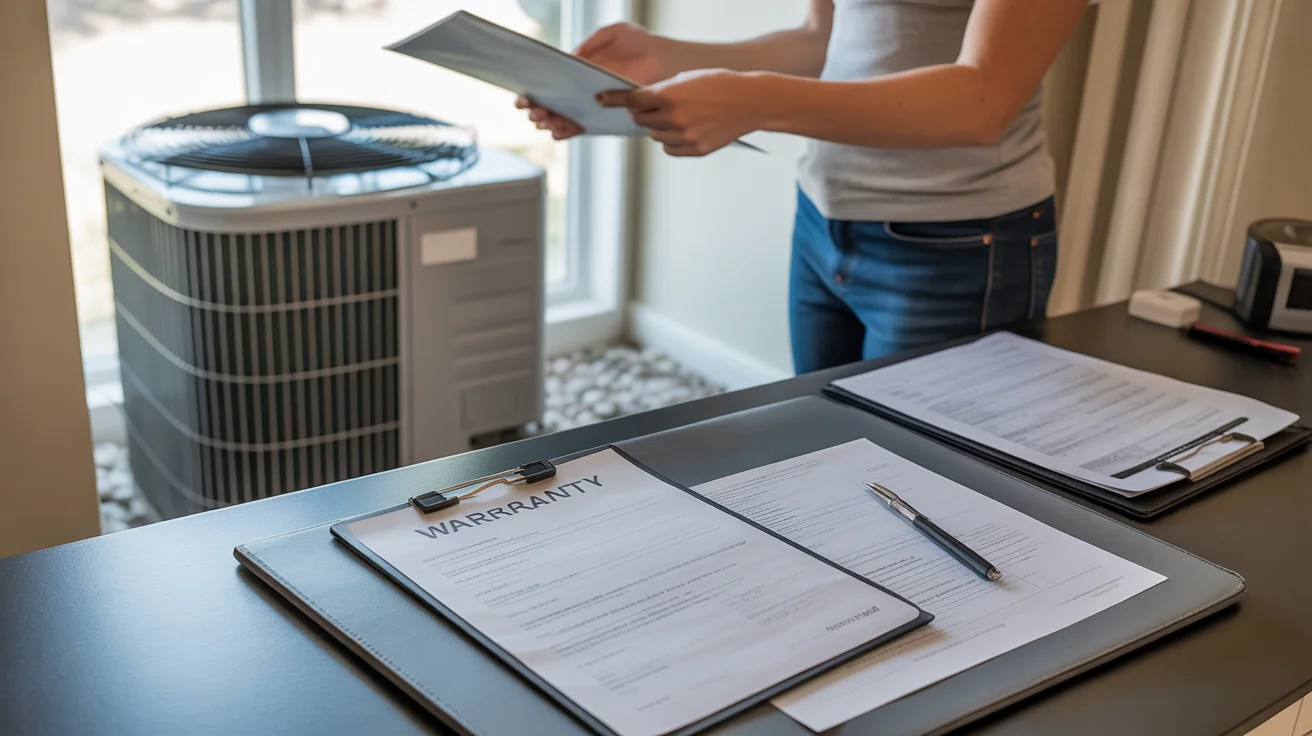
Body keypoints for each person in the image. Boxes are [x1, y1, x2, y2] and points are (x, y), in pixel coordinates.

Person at [517, 0, 1087, 373]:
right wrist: (666, 60)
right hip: (822, 218)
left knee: (926, 485)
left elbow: (983, 100)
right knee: (823, 449)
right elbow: (824, 37)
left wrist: (756, 100)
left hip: (961, 245)